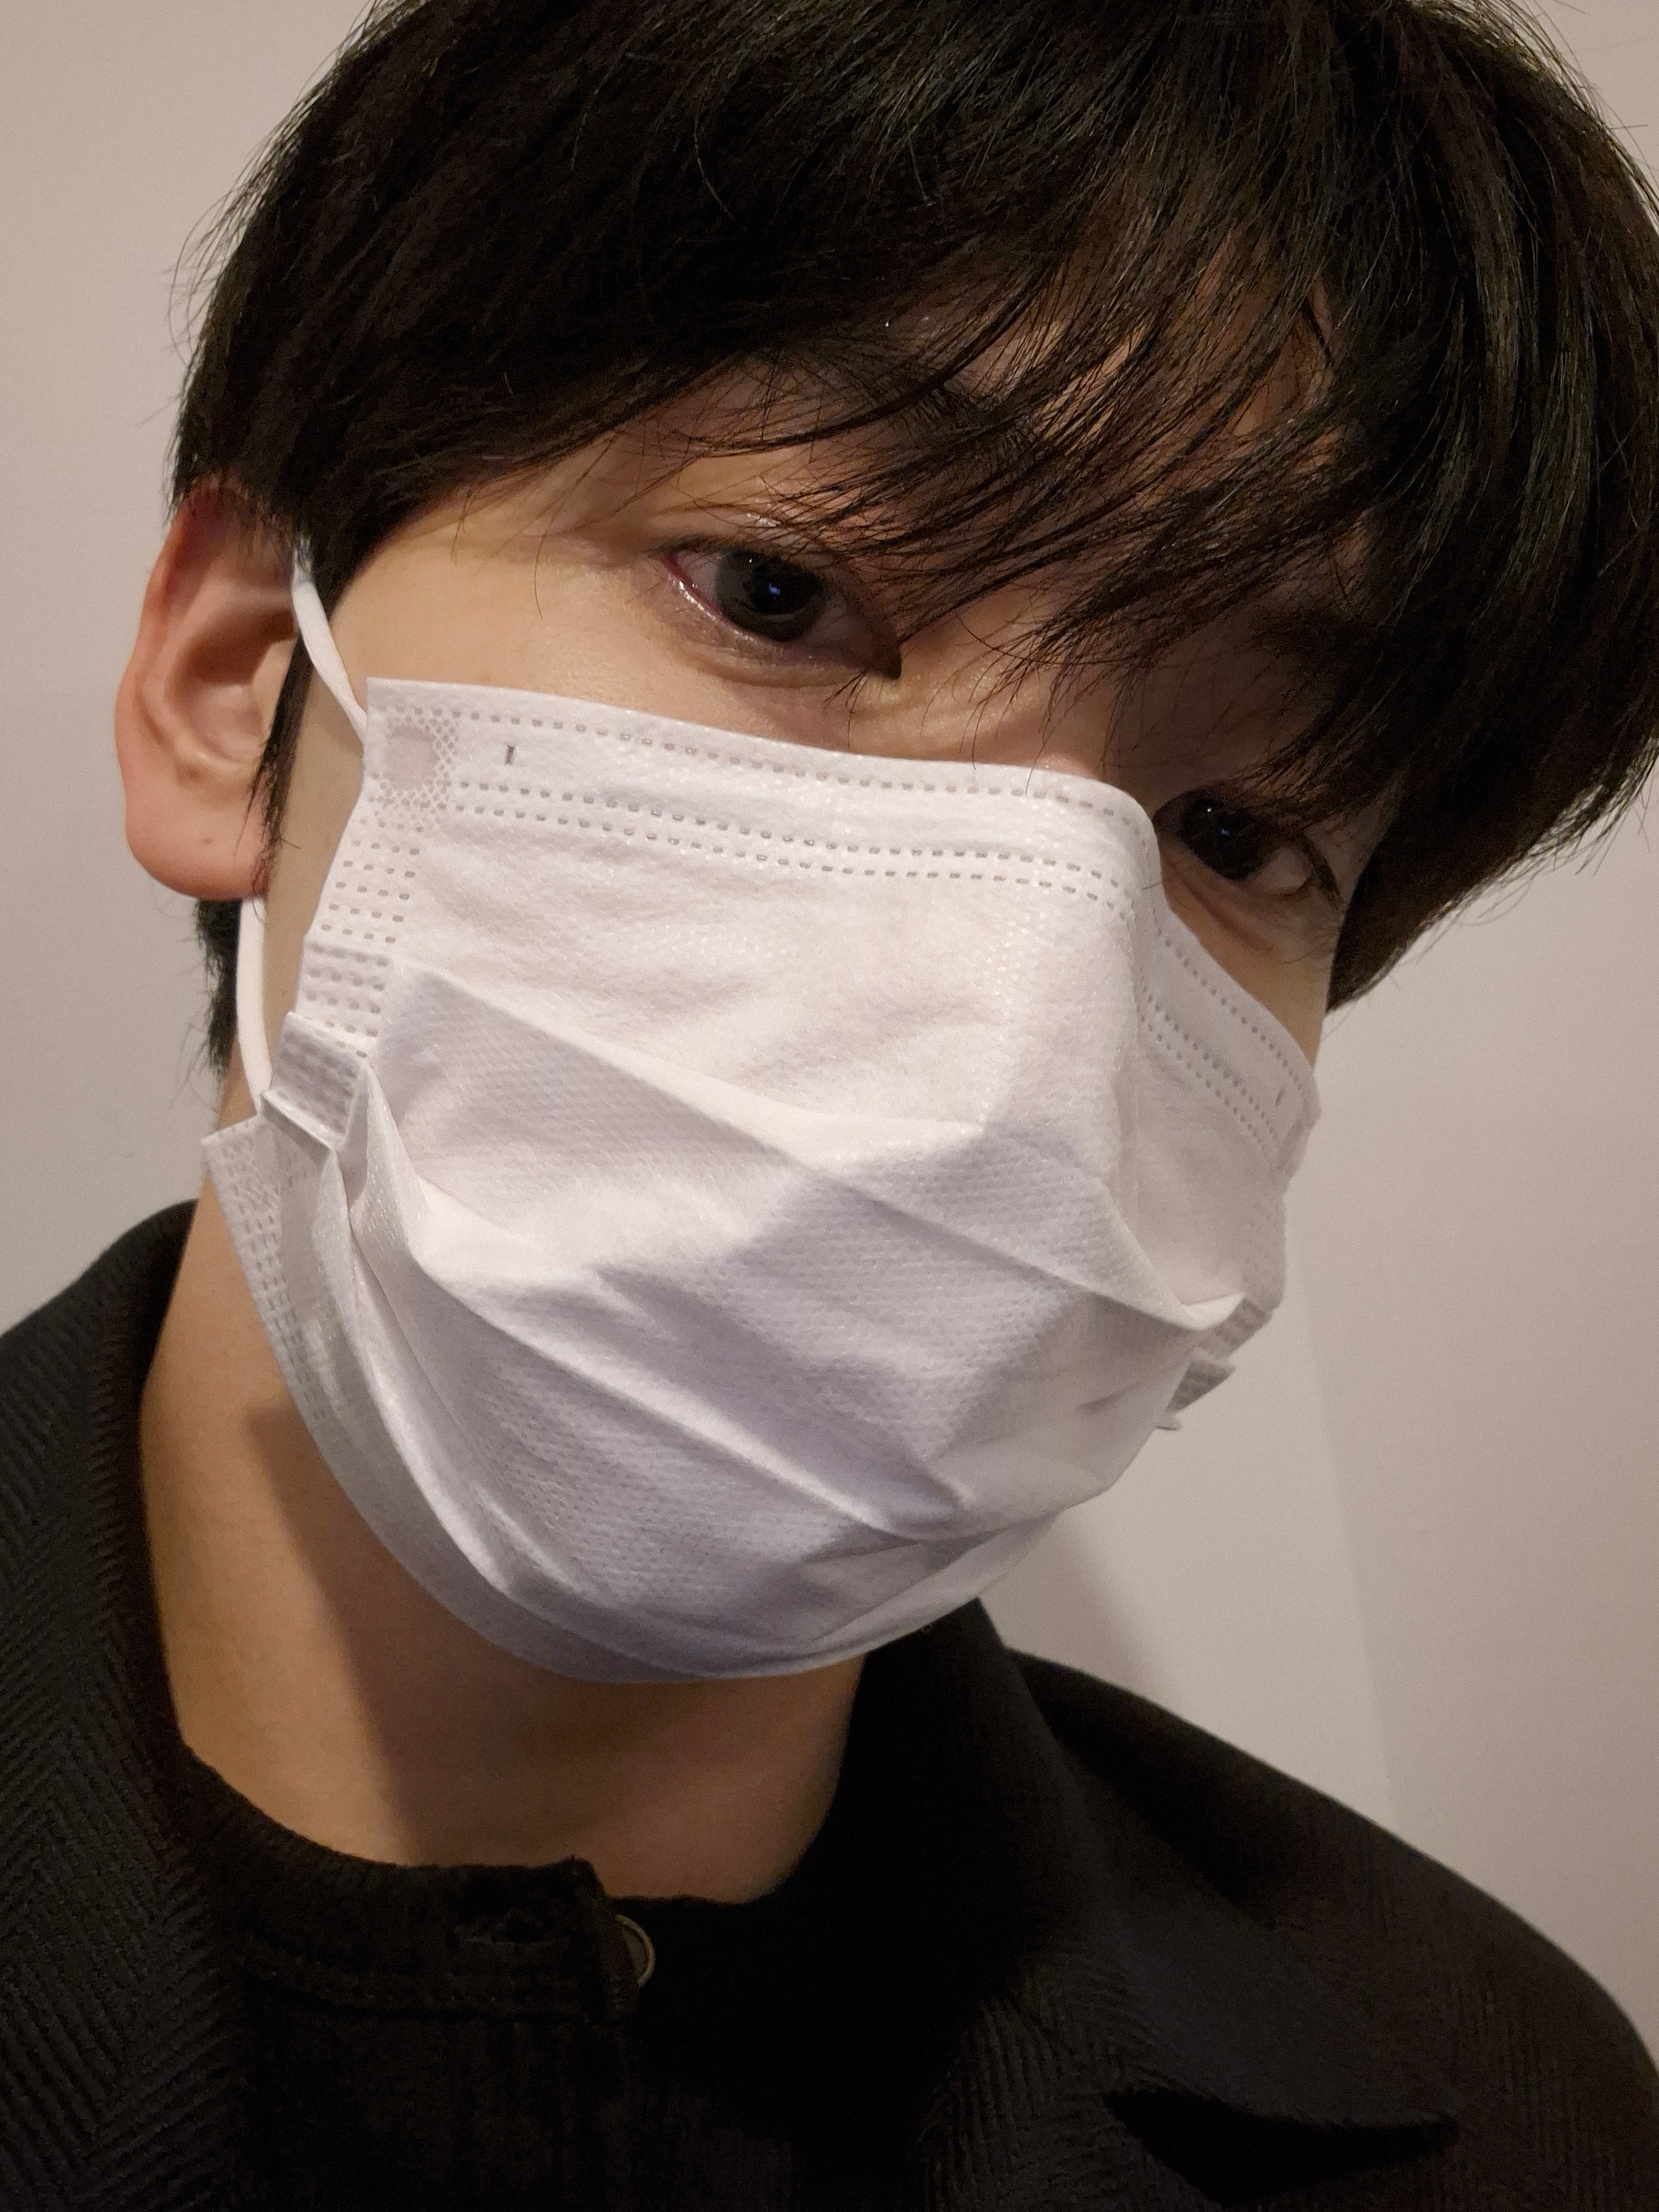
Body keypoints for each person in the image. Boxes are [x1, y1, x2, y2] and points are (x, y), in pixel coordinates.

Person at [3, 0, 1656, 2202]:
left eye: (1240, 829)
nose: (1008, 1011)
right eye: (780, 593)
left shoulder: (1508, 2111)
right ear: (232, 686)